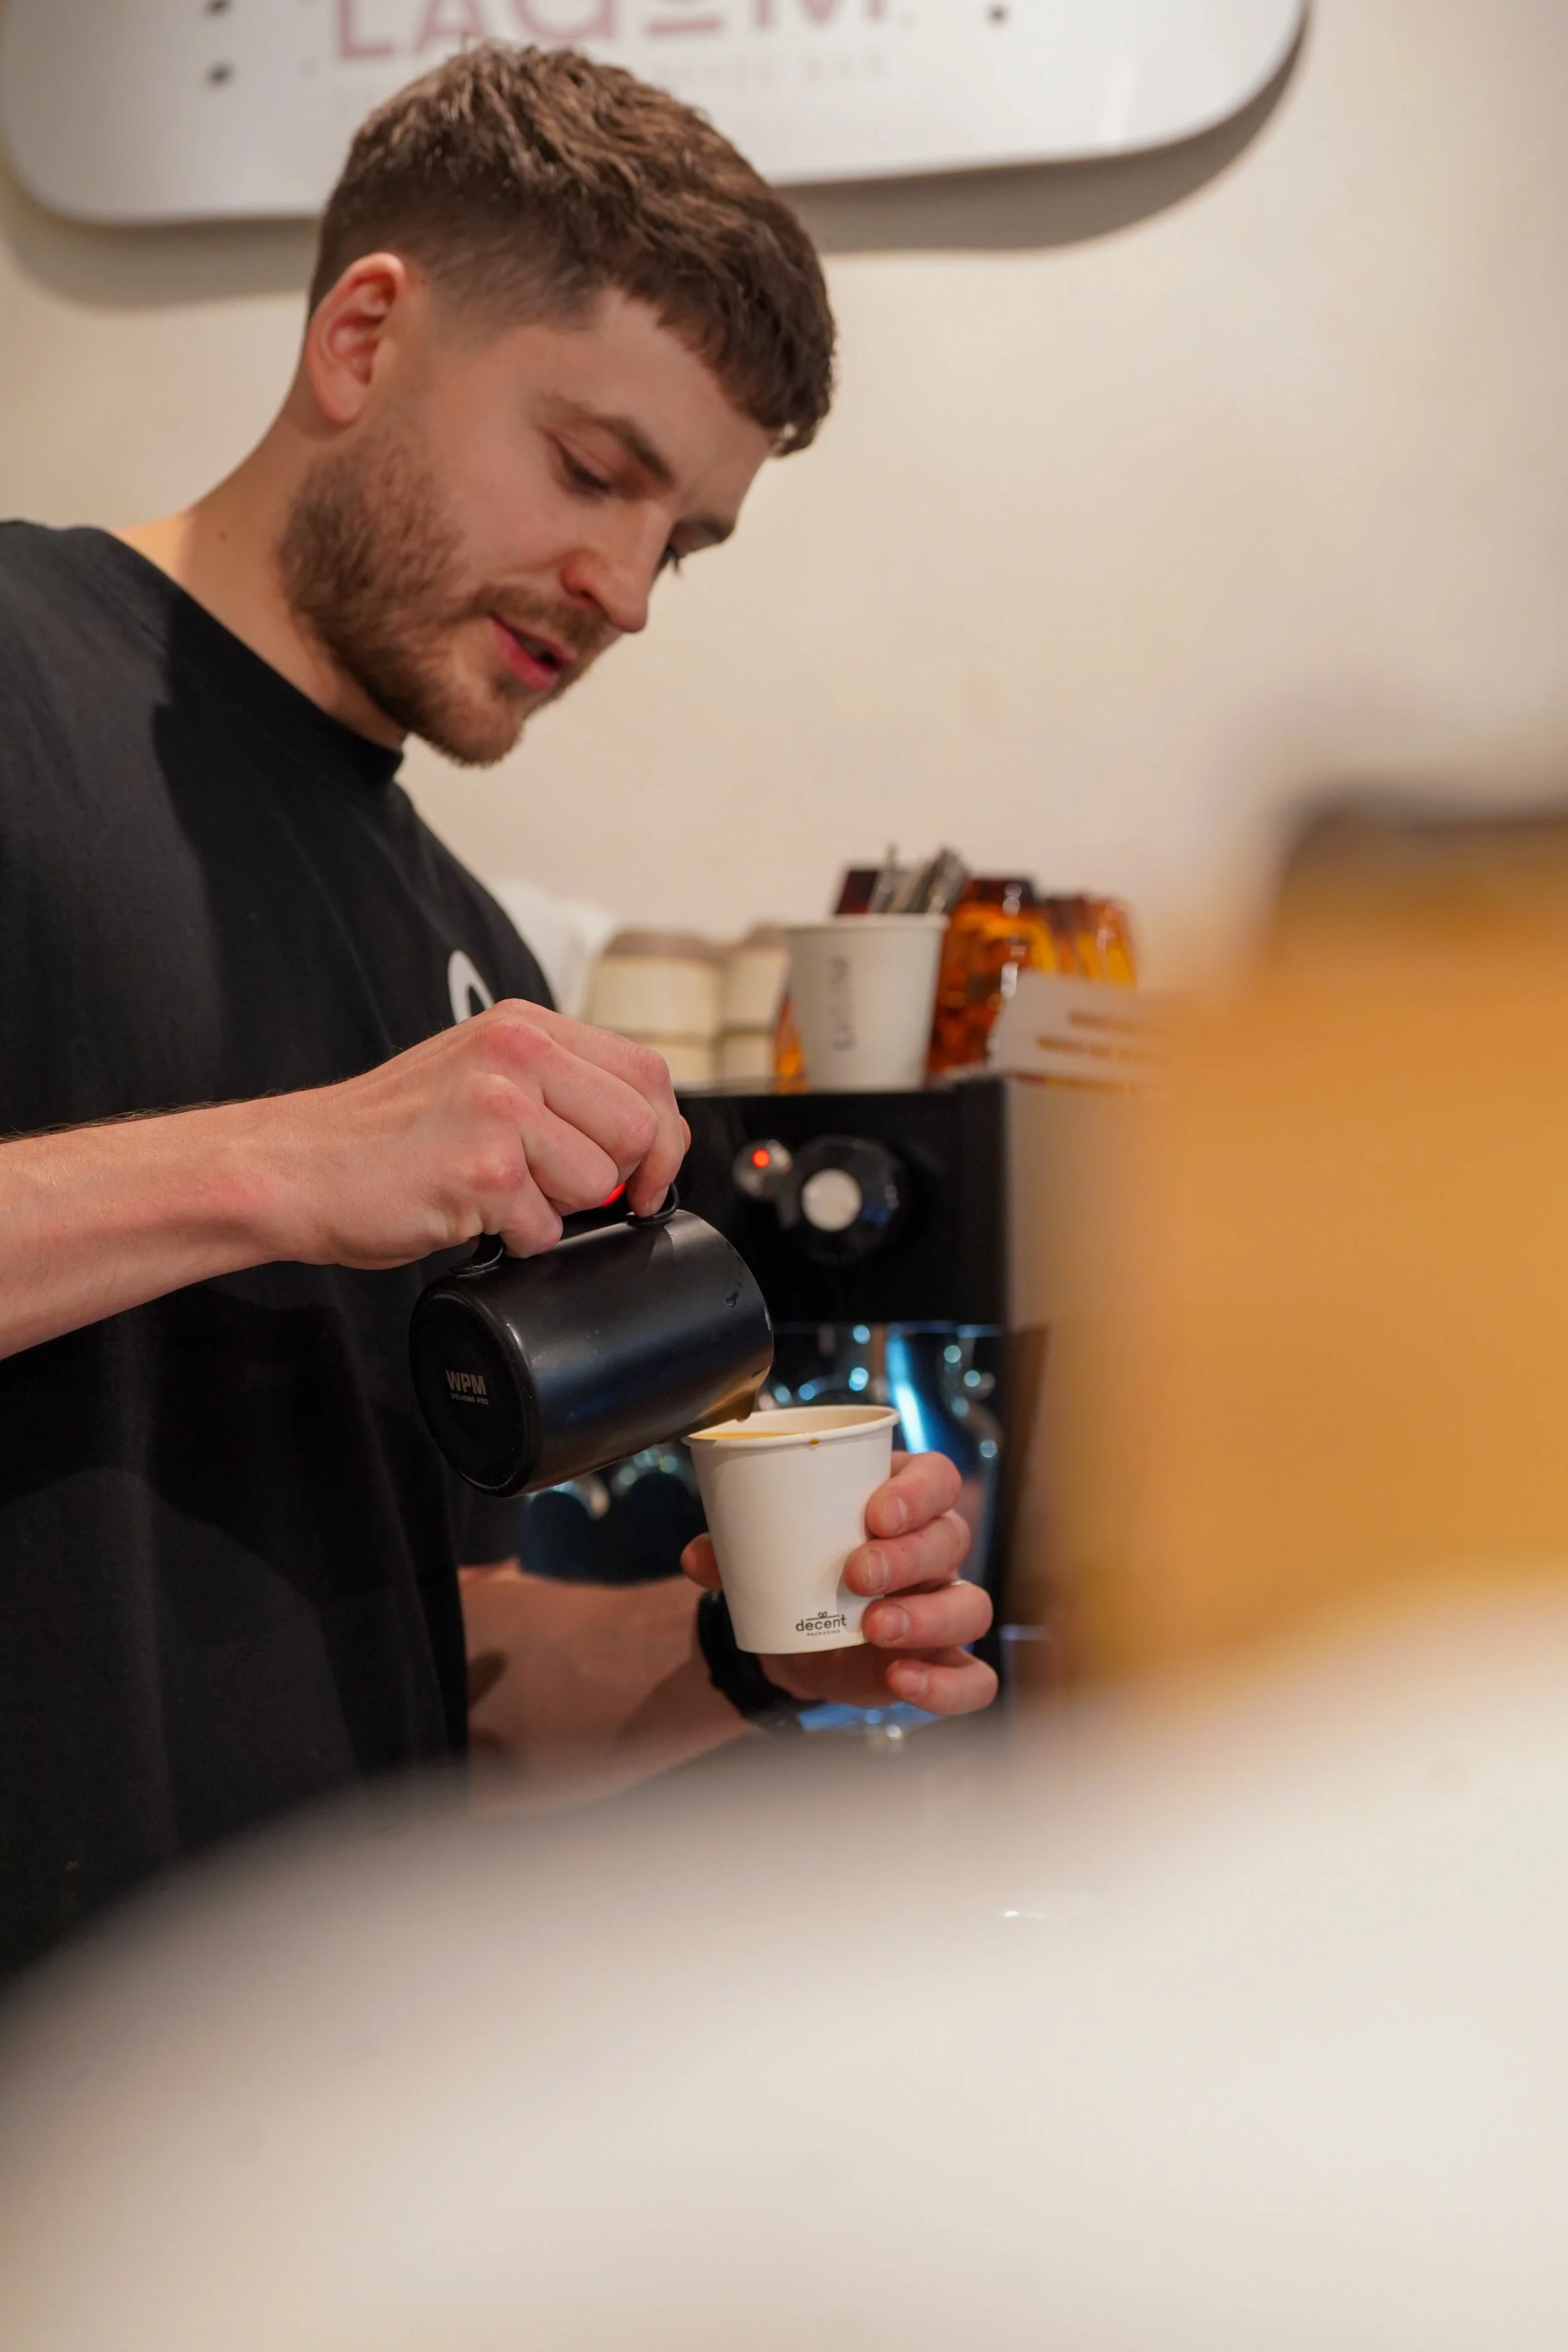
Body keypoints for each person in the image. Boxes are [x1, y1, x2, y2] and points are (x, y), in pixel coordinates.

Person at [0, 45, 995, 1977]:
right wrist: (286, 1163)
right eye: (593, 469)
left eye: (680, 540)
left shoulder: (475, 963)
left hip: (275, 2149)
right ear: (365, 337)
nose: (625, 590)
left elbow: (456, 1666)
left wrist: (759, 1648)